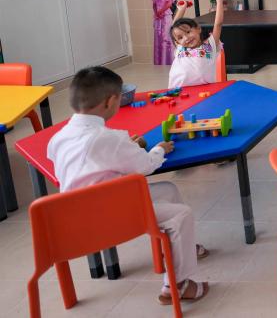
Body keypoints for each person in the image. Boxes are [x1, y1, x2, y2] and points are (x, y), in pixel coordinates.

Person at [47, 66, 210, 305]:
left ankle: (183, 250)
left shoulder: (59, 137)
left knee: (168, 190)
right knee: (181, 215)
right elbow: (145, 166)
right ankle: (177, 285)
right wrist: (158, 149)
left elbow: (88, 164)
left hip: (73, 213)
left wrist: (125, 147)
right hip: (105, 216)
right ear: (112, 101)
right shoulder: (107, 139)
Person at [168, 0, 226, 88]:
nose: (186, 38)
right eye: (180, 38)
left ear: (198, 29)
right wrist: (181, 9)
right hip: (177, 90)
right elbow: (174, 28)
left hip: (205, 90)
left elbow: (218, 24)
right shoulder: (180, 48)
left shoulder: (210, 45)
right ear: (177, 42)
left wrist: (219, 1)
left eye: (188, 32)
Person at [153, 0, 177, 66]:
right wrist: (156, 13)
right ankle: (159, 61)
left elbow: (169, 4)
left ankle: (169, 60)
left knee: (166, 38)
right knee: (158, 38)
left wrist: (161, 12)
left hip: (166, 17)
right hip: (158, 18)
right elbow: (154, 5)